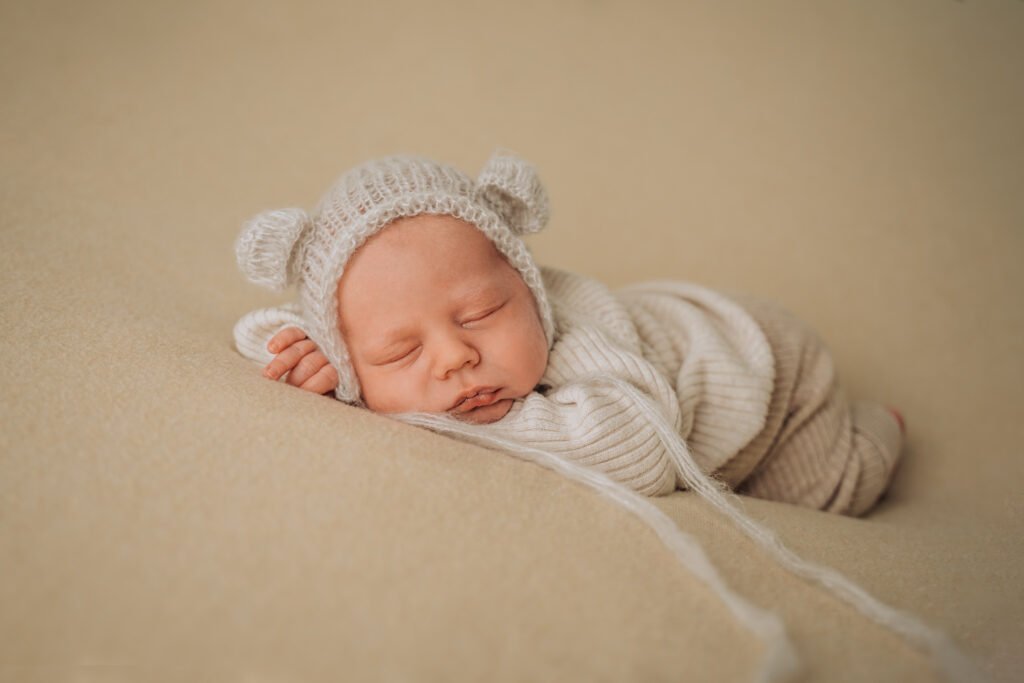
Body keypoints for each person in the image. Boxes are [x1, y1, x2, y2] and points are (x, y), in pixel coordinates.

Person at [233, 152, 904, 516]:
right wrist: (332, 370)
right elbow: (255, 335)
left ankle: (880, 430)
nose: (455, 354)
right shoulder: (369, 348)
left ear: (528, 288)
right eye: (399, 350)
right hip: (696, 329)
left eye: (479, 314)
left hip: (772, 377)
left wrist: (404, 397)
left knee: (830, 493)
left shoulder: (580, 342)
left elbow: (642, 456)